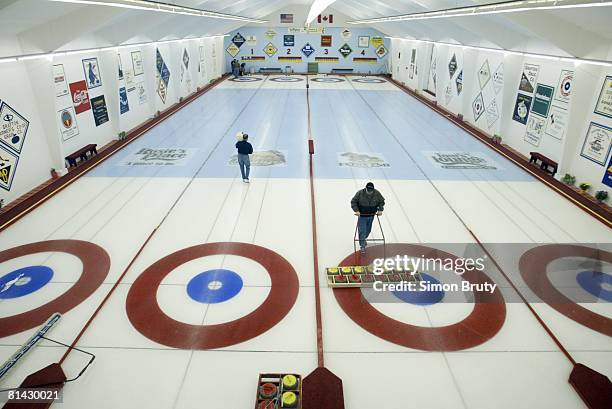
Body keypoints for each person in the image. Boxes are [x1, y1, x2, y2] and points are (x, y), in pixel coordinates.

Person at [351, 182, 385, 254]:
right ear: (365, 188)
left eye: (371, 190)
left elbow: (382, 201)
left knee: (368, 231)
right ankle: (362, 246)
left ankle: (363, 239)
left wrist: (380, 210)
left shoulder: (377, 193)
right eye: (368, 190)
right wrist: (356, 210)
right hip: (362, 216)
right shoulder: (360, 193)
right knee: (362, 231)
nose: (369, 192)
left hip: (371, 215)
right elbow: (353, 201)